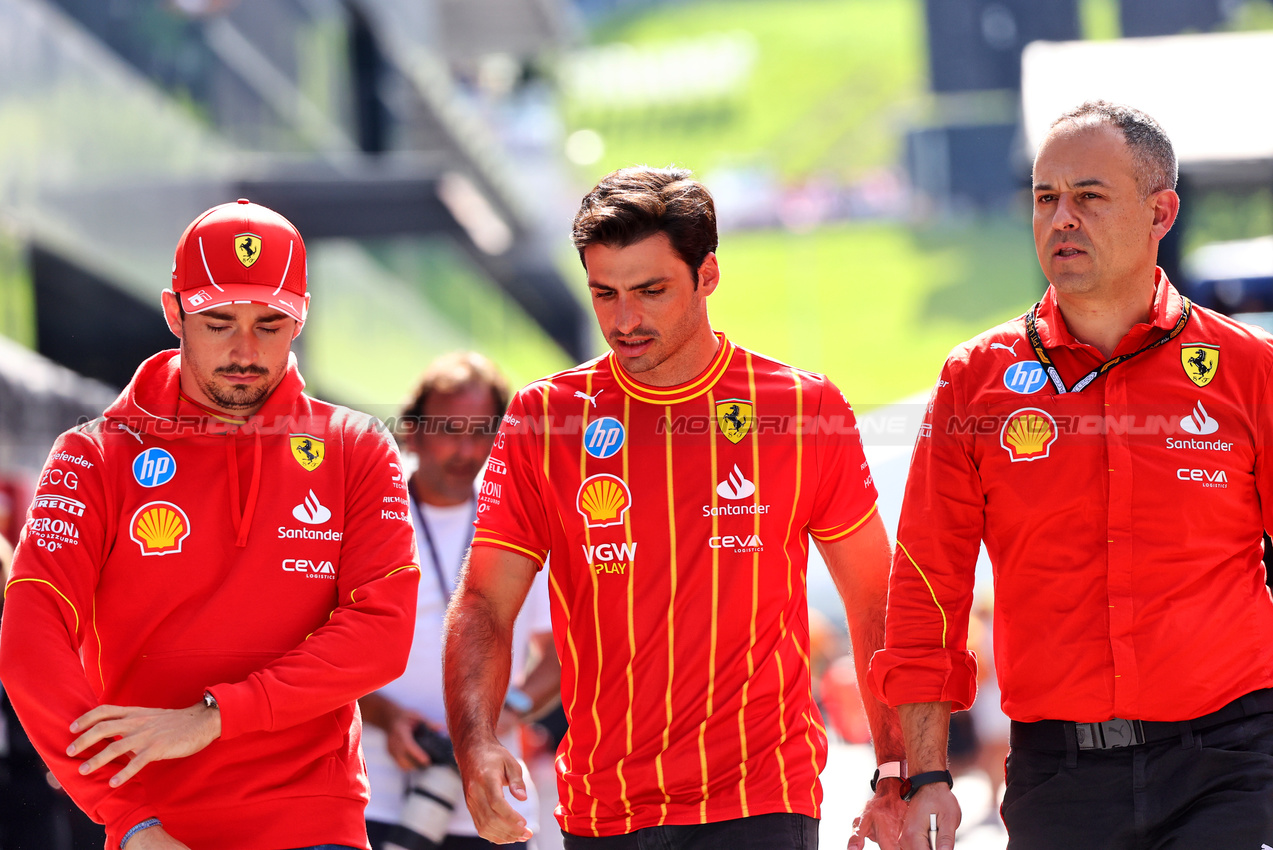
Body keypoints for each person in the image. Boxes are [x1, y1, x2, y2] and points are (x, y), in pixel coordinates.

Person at [442, 167, 906, 850]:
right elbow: (483, 601)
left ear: (707, 274)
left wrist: (897, 772)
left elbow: (874, 602)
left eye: (649, 291)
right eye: (604, 294)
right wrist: (475, 743)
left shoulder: (801, 408)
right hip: (603, 806)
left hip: (760, 796)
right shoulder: (545, 419)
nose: (624, 320)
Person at [869, 100, 1273, 849]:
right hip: (1057, 779)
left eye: (1088, 196)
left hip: (1232, 762)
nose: (1061, 218)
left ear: (1161, 212)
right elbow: (928, 585)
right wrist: (923, 775)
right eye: (1044, 197)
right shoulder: (974, 381)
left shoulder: (1249, 371)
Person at [0, 199, 420, 850]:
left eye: (271, 324)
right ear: (174, 313)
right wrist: (127, 820)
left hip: (315, 825)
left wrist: (215, 716)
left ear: (302, 316)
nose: (244, 351)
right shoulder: (91, 455)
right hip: (154, 832)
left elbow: (381, 633)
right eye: (219, 322)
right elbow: (30, 641)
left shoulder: (357, 446)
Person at [361, 351, 560, 850]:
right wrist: (388, 719)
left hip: (492, 802)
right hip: (372, 794)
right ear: (412, 429)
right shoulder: (366, 514)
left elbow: (560, 654)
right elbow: (314, 641)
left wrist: (500, 714)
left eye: (482, 432)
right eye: (450, 428)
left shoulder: (518, 519)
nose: (466, 450)